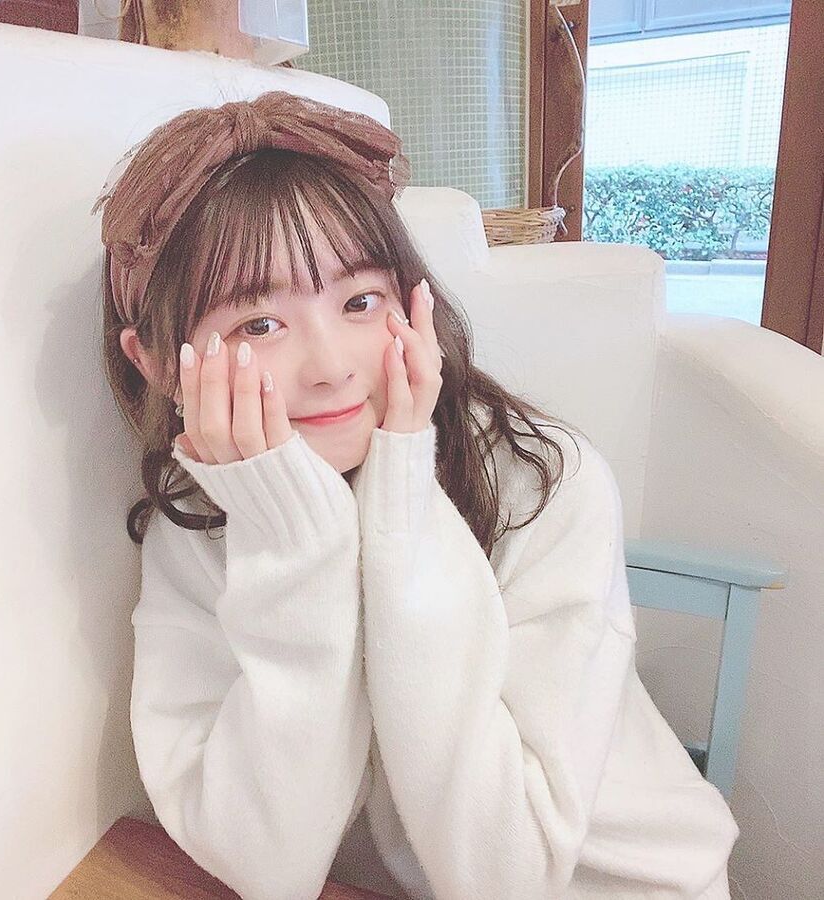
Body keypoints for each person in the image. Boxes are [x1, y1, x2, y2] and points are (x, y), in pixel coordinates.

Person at [93, 90, 739, 900]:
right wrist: (293, 542)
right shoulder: (199, 526)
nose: (332, 365)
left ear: (410, 303)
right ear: (158, 364)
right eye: (258, 324)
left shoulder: (545, 484)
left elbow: (506, 874)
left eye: (359, 302)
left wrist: (402, 504)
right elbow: (266, 866)